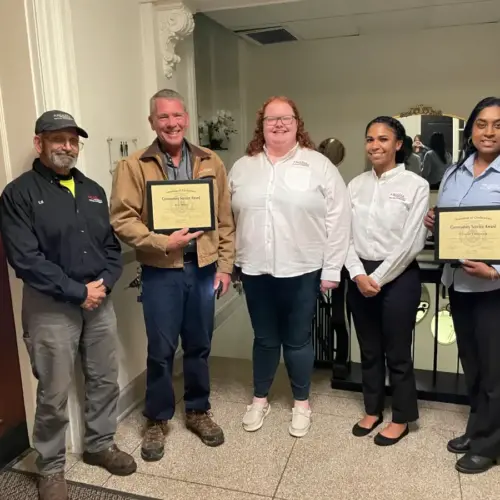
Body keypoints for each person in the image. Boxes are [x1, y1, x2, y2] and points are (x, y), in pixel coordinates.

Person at [0, 111, 136, 500]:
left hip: (98, 302)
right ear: (38, 142)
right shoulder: (18, 193)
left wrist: (104, 284)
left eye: (73, 140)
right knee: (54, 390)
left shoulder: (93, 190)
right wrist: (79, 291)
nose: (67, 147)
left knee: (104, 378)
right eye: (58, 139)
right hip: (50, 306)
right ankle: (52, 468)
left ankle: (99, 445)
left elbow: (111, 248)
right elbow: (25, 260)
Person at [110, 89, 235, 461]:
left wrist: (226, 266)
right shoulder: (133, 166)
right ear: (152, 122)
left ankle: (197, 410)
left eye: (177, 116)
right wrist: (160, 241)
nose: (172, 123)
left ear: (186, 118)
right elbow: (121, 218)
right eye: (163, 117)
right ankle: (157, 418)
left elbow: (225, 218)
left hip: (203, 269)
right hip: (161, 271)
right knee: (161, 351)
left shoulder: (211, 161)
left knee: (199, 346)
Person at [229, 96, 351, 437]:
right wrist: (231, 262)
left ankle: (302, 403)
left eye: (286, 118)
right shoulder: (242, 166)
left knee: (297, 340)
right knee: (265, 339)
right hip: (255, 269)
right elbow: (227, 218)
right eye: (271, 119)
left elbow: (339, 217)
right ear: (261, 125)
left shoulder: (319, 165)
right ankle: (259, 399)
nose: (278, 124)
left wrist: (331, 269)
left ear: (298, 123)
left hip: (303, 268)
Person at [424, 96, 500, 474]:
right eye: (482, 123)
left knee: (495, 371)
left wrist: (497, 270)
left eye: (498, 124)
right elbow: (455, 221)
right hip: (458, 283)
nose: (489, 131)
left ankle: (489, 444)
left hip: (492, 290)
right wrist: (436, 224)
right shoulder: (454, 172)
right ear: (471, 129)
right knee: (472, 366)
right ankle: (477, 428)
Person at [345, 116, 429, 446]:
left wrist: (376, 278)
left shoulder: (415, 185)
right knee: (368, 349)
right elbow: (343, 235)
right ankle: (373, 409)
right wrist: (357, 273)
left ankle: (403, 417)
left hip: (399, 276)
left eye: (383, 139)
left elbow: (412, 241)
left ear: (398, 144)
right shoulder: (355, 185)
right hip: (360, 273)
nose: (375, 145)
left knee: (396, 351)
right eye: (369, 139)